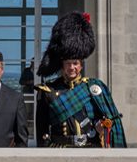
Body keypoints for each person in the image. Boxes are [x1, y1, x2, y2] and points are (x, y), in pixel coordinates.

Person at [35, 12, 126, 147]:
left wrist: (101, 127)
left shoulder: (94, 88)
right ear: (62, 65)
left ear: (81, 65)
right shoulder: (48, 91)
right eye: (68, 63)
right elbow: (41, 130)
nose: (72, 68)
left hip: (90, 149)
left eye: (75, 63)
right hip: (60, 151)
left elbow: (105, 121)